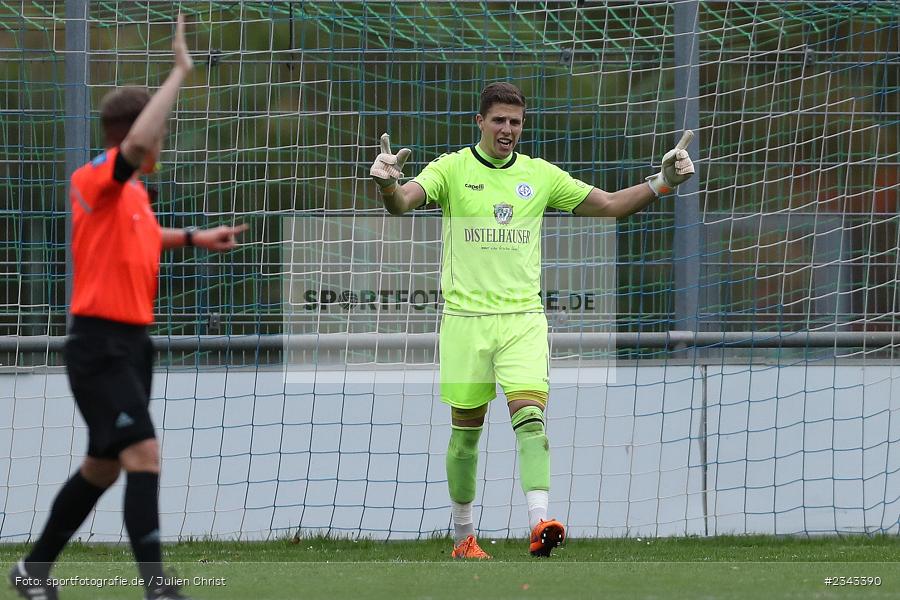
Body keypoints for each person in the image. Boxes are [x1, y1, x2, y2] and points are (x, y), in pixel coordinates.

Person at [370, 82, 694, 559]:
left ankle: (540, 523)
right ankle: (463, 538)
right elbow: (403, 203)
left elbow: (608, 205)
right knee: (465, 435)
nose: (507, 129)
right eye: (499, 120)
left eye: (515, 122)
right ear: (480, 122)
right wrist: (386, 184)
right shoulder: (451, 168)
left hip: (522, 320)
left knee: (531, 420)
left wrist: (662, 182)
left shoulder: (538, 175)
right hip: (465, 322)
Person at [9, 15, 246, 600]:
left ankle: (33, 571)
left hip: (133, 343)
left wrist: (193, 237)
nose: (160, 143)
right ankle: (158, 587)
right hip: (99, 345)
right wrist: (179, 72)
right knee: (142, 453)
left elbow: (141, 236)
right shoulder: (97, 179)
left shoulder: (132, 193)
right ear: (134, 132)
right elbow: (137, 145)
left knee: (104, 466)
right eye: (157, 131)